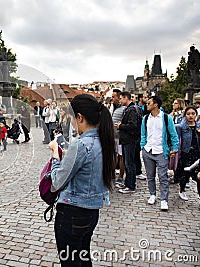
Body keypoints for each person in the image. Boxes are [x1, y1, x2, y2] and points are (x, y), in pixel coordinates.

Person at [49, 94, 115, 266]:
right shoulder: (104, 140)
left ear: (79, 117)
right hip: (92, 212)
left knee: (70, 262)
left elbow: (57, 182)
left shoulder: (81, 144)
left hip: (72, 212)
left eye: (71, 118)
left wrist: (56, 154)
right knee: (83, 258)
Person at [141, 96, 179, 211]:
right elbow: (143, 133)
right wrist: (143, 146)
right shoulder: (146, 118)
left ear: (156, 104)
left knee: (163, 176)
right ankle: (152, 194)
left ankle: (164, 199)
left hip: (161, 151)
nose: (147, 105)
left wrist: (175, 148)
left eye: (149, 103)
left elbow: (173, 134)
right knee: (150, 175)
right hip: (148, 150)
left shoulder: (166, 118)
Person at [115, 91, 142, 194]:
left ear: (126, 98)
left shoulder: (132, 109)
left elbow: (133, 126)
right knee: (128, 163)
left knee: (129, 163)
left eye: (121, 98)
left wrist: (120, 126)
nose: (120, 101)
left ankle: (130, 186)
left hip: (130, 140)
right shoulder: (132, 108)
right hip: (128, 140)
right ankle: (128, 184)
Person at [174, 106, 200, 201]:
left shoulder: (199, 127)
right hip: (186, 152)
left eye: (193, 114)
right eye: (188, 114)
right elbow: (176, 140)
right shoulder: (181, 127)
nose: (191, 116)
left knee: (198, 174)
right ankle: (182, 190)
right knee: (184, 173)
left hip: (197, 153)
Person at [111, 89, 126, 188]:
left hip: (120, 136)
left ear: (118, 98)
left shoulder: (124, 109)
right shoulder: (112, 108)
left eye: (113, 97)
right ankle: (112, 175)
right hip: (112, 136)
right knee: (114, 156)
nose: (112, 99)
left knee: (121, 157)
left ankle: (121, 177)